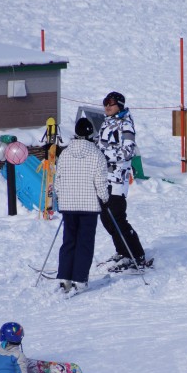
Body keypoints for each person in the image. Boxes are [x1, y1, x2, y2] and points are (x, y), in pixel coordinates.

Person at [53, 117, 109, 293]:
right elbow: (100, 182)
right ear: (91, 133)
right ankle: (80, 278)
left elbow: (58, 182)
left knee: (69, 241)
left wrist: (63, 198)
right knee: (84, 243)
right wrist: (104, 198)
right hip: (89, 207)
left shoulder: (65, 153)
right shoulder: (97, 154)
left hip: (68, 206)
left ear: (76, 133)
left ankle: (64, 277)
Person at [96, 91, 149, 272]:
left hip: (117, 180)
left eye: (111, 104)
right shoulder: (107, 122)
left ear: (119, 105)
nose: (107, 107)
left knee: (117, 218)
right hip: (104, 178)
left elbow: (128, 151)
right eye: (105, 103)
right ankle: (122, 250)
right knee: (106, 218)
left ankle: (135, 254)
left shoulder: (125, 124)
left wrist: (102, 156)